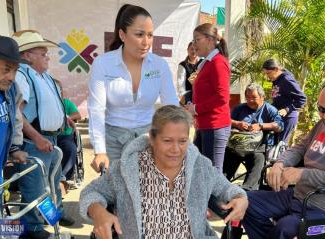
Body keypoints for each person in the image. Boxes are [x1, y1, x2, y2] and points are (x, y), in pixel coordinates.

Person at [80, 105, 248, 239]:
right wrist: (99, 213)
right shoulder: (127, 169)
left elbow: (227, 189)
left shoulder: (200, 166)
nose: (176, 149)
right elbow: (91, 192)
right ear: (152, 139)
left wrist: (241, 199)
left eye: (182, 141)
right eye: (167, 141)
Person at [241, 80, 325, 239]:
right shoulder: (324, 123)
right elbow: (300, 148)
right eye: (321, 109)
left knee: (285, 227)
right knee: (243, 200)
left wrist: (302, 174)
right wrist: (280, 163)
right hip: (299, 196)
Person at [88, 4, 179, 173]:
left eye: (150, 35)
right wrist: (100, 150)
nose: (146, 42)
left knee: (146, 194)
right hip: (112, 143)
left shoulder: (159, 65)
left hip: (147, 141)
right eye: (139, 34)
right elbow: (96, 109)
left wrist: (177, 139)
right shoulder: (103, 64)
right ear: (122, 35)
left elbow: (171, 106)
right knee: (115, 194)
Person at [12, 30, 74, 239]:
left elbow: (48, 104)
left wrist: (63, 118)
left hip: (50, 139)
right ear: (27, 55)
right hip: (34, 142)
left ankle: (53, 217)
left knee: (52, 183)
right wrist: (37, 138)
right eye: (42, 53)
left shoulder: (43, 75)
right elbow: (17, 113)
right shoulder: (22, 75)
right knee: (36, 188)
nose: (48, 57)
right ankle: (35, 229)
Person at [0, 34, 28, 238]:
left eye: (15, 70)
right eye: (6, 69)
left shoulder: (10, 89)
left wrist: (14, 148)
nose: (11, 76)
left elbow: (15, 119)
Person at [184, 23, 231, 174]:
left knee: (212, 173)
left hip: (215, 126)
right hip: (205, 124)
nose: (194, 44)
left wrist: (196, 109)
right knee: (201, 170)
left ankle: (219, 199)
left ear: (210, 40)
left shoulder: (218, 62)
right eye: (193, 40)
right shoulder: (207, 63)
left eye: (197, 39)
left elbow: (222, 97)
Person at [223, 83, 284, 190]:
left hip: (258, 148)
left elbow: (280, 125)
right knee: (228, 159)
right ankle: (220, 186)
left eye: (254, 98)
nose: (250, 100)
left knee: (258, 160)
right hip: (237, 146)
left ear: (262, 97)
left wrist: (261, 126)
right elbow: (226, 120)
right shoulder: (240, 108)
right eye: (248, 98)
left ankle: (248, 190)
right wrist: (237, 124)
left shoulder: (270, 109)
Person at [262, 59, 306, 143]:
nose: (267, 76)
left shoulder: (287, 80)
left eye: (268, 73)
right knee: (273, 144)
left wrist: (287, 109)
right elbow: (279, 98)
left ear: (276, 69)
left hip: (288, 118)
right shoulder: (276, 80)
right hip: (278, 117)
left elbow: (302, 98)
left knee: (280, 146)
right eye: (265, 74)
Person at [55, 80, 82, 191]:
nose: (59, 91)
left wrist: (66, 118)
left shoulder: (66, 103)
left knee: (70, 148)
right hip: (49, 136)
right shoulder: (47, 104)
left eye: (60, 89)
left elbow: (78, 115)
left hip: (65, 136)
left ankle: (64, 178)